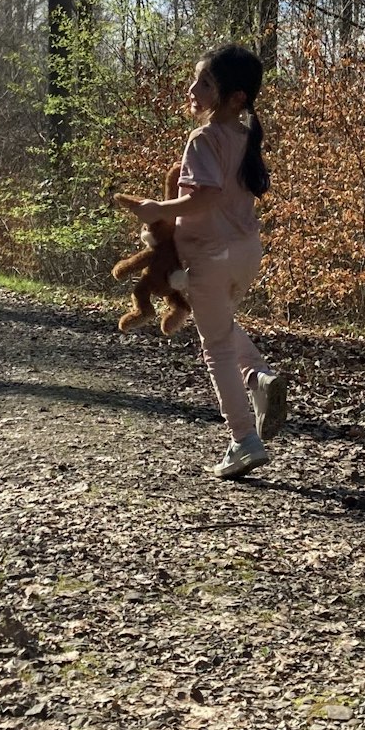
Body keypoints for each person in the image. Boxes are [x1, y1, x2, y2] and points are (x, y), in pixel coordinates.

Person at [122, 44, 286, 479]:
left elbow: (204, 197)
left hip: (210, 255)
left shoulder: (204, 137)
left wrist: (158, 210)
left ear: (234, 98)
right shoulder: (246, 134)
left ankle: (244, 440)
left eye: (206, 82)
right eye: (196, 79)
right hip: (246, 254)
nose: (193, 88)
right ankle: (259, 379)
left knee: (215, 346)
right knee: (222, 324)